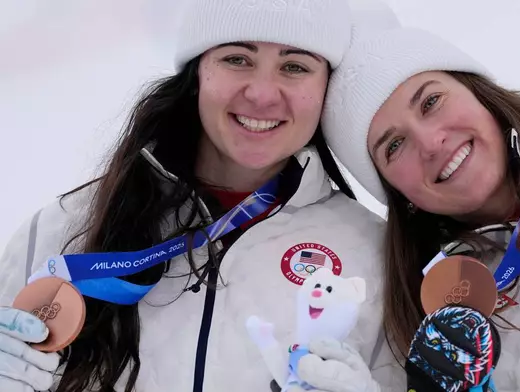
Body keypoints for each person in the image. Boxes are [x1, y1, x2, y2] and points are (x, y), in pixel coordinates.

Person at [0, 1, 407, 391]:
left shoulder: (374, 254)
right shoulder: (64, 227)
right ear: (198, 72)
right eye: (237, 59)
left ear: (325, 91)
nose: (263, 94)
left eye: (295, 66)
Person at [322, 25, 520, 391]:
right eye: (394, 145)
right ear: (397, 194)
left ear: (480, 93)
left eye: (430, 102)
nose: (430, 143)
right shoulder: (429, 323)